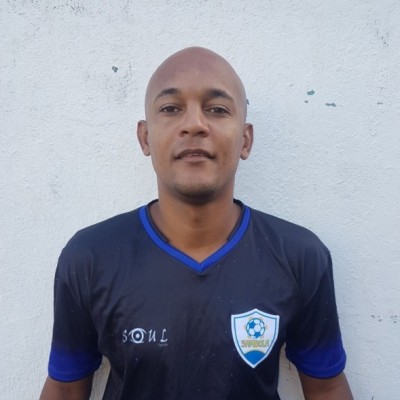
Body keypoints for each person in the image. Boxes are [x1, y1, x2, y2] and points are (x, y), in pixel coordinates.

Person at [40, 47, 353, 399]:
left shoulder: (299, 256)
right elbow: (65, 389)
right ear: (145, 137)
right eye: (170, 109)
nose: (194, 125)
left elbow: (326, 388)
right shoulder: (90, 257)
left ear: (245, 139)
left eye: (217, 109)